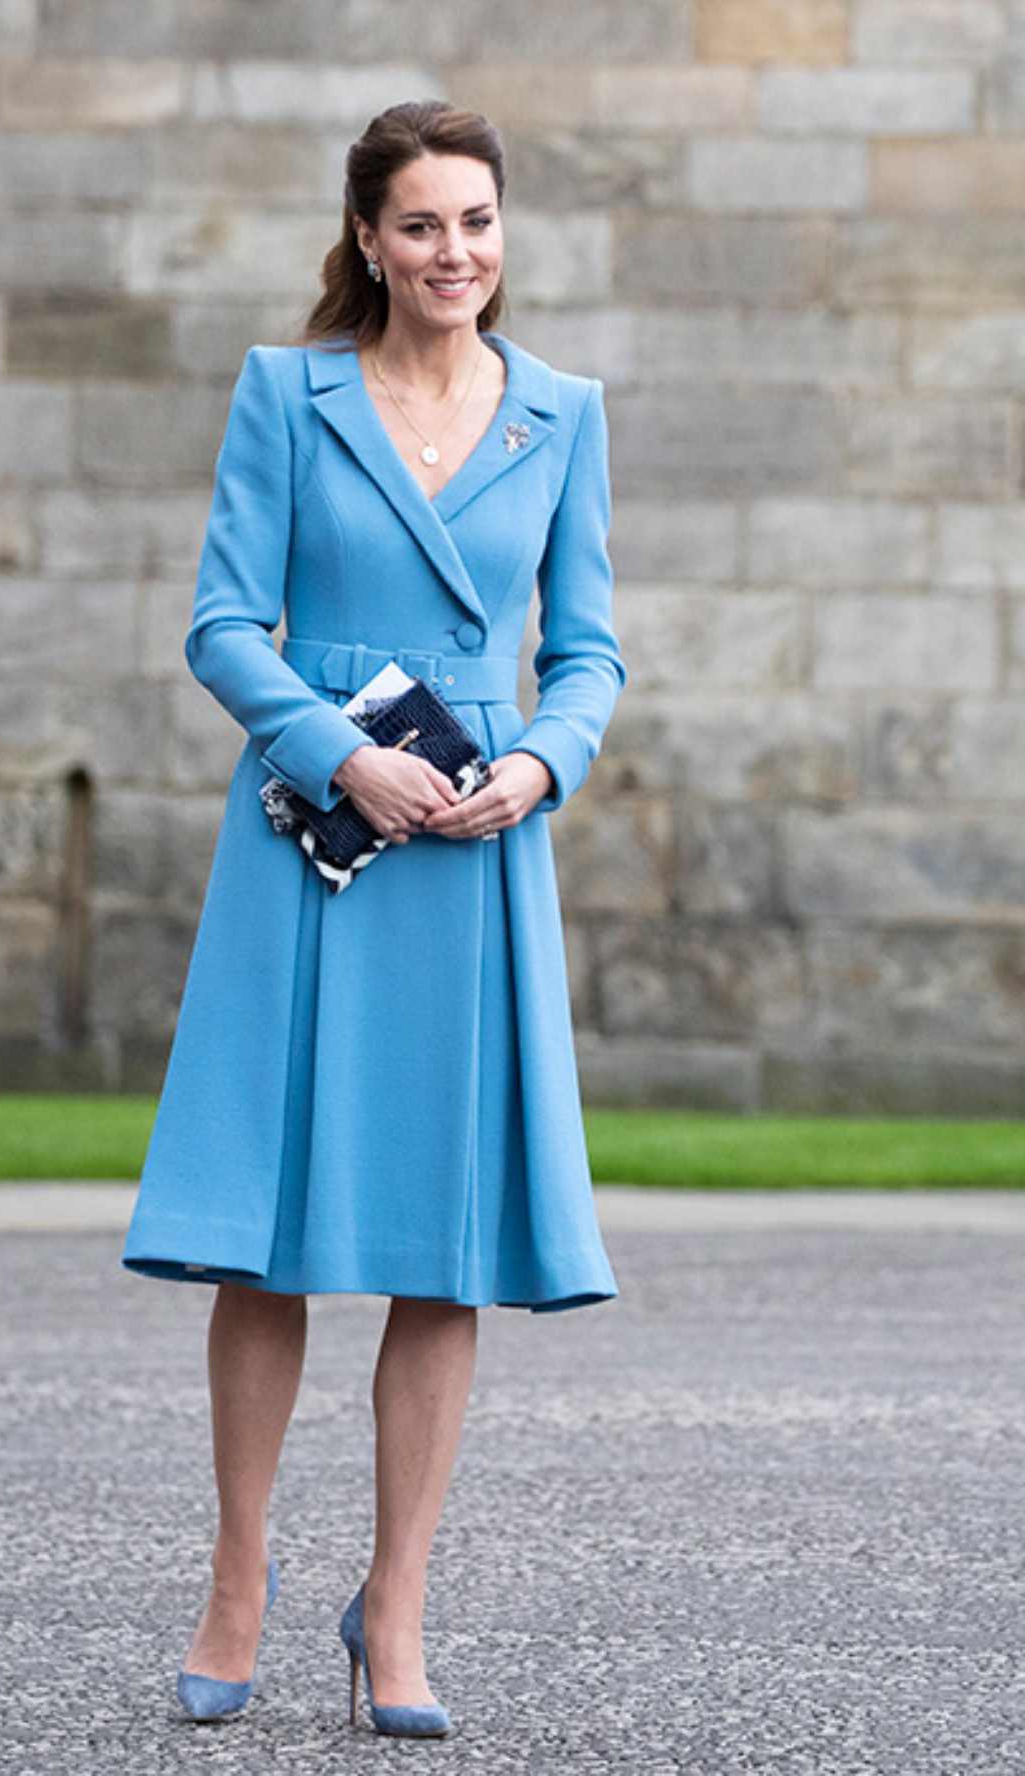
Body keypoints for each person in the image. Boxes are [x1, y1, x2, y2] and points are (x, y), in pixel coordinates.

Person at [119, 97, 627, 1738]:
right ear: (367, 238)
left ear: (502, 231)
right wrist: (340, 751)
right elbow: (223, 624)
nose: (453, 252)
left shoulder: (563, 414)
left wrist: (538, 765)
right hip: (310, 834)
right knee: (266, 1239)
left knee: (438, 1244)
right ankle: (238, 1576)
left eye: (476, 221)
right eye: (420, 225)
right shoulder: (289, 393)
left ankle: (393, 1610)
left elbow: (589, 651)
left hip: (474, 849)